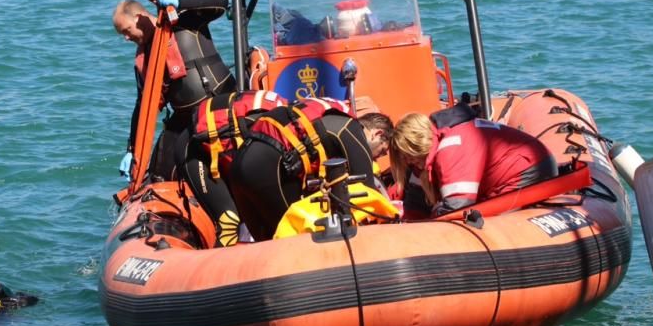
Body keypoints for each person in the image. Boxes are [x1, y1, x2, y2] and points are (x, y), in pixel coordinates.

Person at [112, 0, 236, 181]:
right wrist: (132, 149)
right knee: (159, 170)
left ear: (138, 18)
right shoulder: (143, 60)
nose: (126, 38)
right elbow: (142, 107)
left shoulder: (182, 22)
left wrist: (180, 3)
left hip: (219, 102)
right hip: (185, 118)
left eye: (126, 30)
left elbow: (220, 1)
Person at [227, 98, 391, 241]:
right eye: (383, 151)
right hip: (269, 167)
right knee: (291, 241)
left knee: (266, 244)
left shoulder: (330, 115)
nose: (376, 158)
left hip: (239, 164)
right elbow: (368, 194)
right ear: (377, 134)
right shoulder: (353, 130)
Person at [389, 103, 558, 218]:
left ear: (417, 146)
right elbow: (415, 203)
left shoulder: (452, 147)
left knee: (490, 221)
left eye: (408, 156)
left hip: (529, 169)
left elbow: (457, 207)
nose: (408, 162)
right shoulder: (432, 148)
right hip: (510, 172)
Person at [178, 89, 289, 246]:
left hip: (235, 144)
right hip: (195, 149)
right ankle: (217, 267)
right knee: (228, 220)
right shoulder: (276, 142)